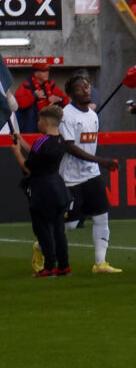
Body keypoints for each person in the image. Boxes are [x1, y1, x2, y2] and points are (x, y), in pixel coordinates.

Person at [58, 73, 121, 275]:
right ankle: (42, 246)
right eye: (80, 88)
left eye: (87, 87)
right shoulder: (66, 115)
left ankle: (100, 263)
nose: (86, 91)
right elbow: (69, 147)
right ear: (70, 94)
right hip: (70, 177)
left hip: (91, 175)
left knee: (102, 216)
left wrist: (96, 164)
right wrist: (101, 161)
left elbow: (88, 145)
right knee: (71, 224)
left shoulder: (93, 115)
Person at [17, 106, 73, 277]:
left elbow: (29, 167)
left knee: (43, 230)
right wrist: (21, 140)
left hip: (42, 190)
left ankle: (49, 267)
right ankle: (63, 266)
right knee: (58, 231)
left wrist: (16, 152)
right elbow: (37, 154)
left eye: (40, 120)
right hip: (58, 187)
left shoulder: (41, 142)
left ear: (47, 121)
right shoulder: (61, 141)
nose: (38, 123)